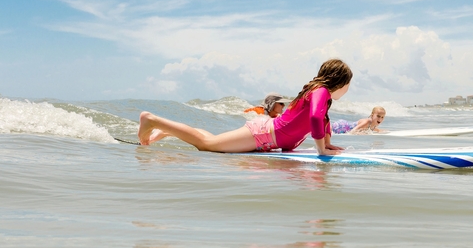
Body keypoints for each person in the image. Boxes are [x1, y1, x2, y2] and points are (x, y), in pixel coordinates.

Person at [137, 59, 352, 155]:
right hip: (264, 134)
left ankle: (166, 132)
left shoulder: (321, 95)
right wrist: (321, 150)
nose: (348, 89)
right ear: (340, 81)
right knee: (206, 144)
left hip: (267, 134)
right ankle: (152, 120)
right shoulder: (321, 92)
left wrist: (328, 142)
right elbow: (315, 118)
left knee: (212, 140)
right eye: (348, 84)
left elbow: (323, 120)